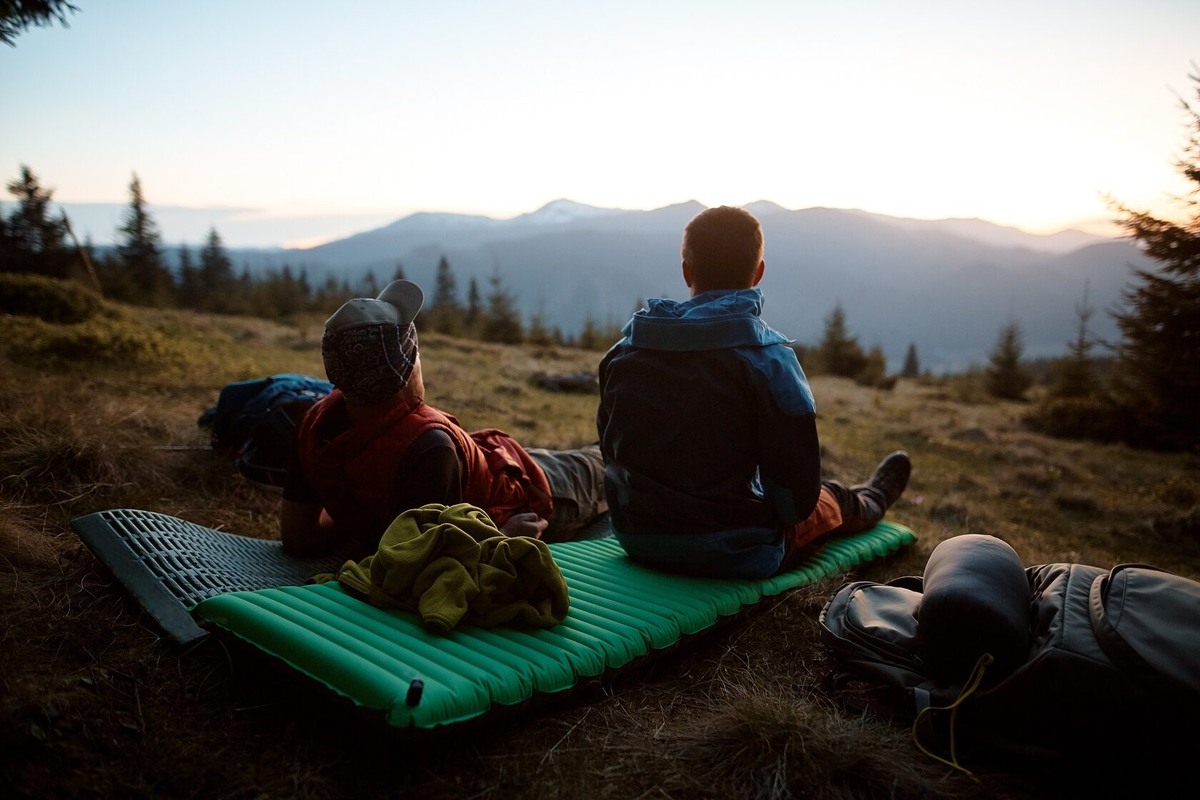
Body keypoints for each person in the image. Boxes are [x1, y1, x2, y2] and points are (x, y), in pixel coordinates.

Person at [596, 205, 911, 579]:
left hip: (636, 536)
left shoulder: (623, 353)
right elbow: (796, 504)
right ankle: (873, 498)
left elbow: (610, 453)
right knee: (834, 498)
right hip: (735, 549)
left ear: (686, 271)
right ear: (758, 272)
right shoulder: (769, 360)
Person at [280, 279, 608, 557]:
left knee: (587, 453)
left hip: (499, 460)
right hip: (533, 492)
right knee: (604, 464)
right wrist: (505, 538)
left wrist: (358, 521)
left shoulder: (314, 426)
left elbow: (298, 537)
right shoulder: (427, 450)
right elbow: (435, 565)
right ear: (405, 370)